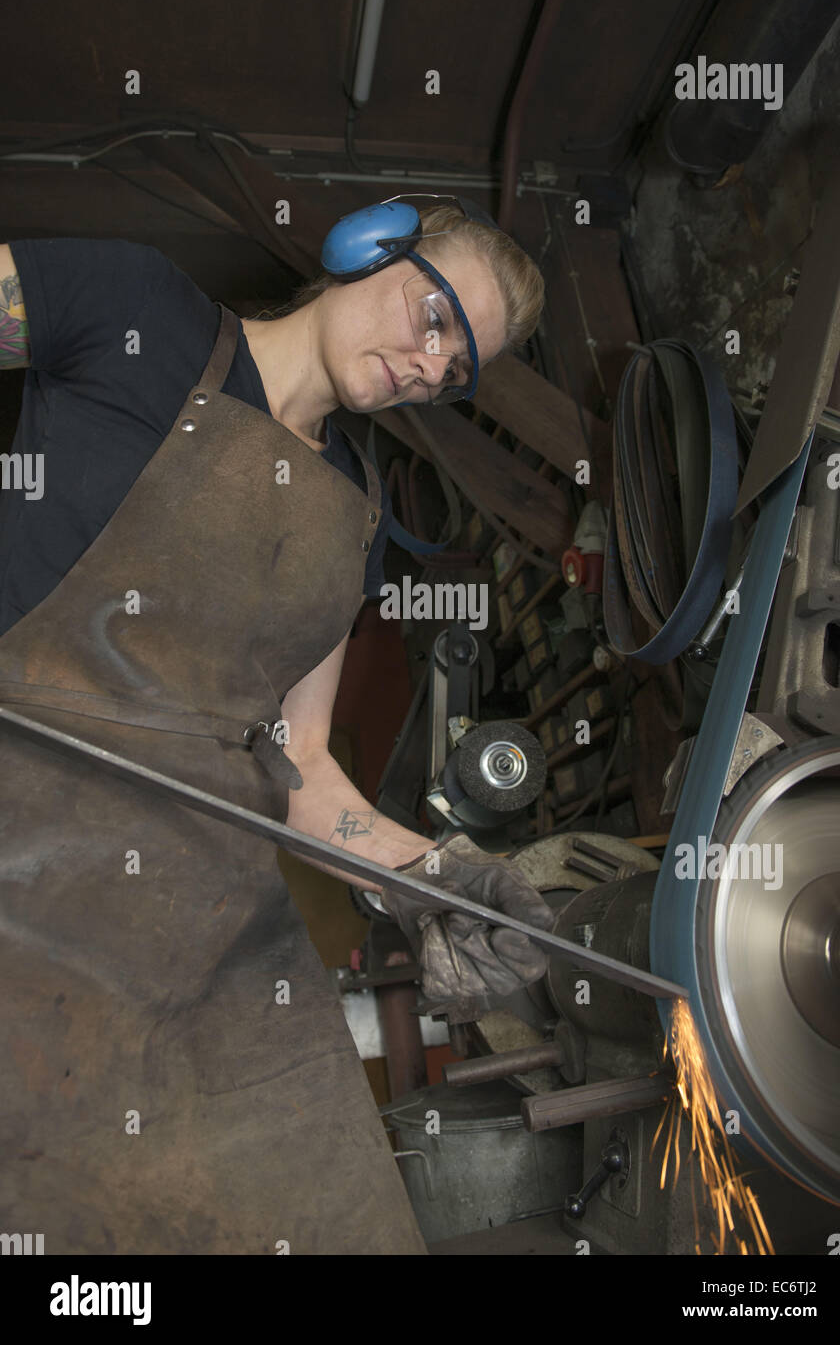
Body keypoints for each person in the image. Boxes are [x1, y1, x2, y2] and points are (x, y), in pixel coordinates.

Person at [0, 196, 554, 1255]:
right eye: (431, 313)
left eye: (454, 368)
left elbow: (303, 765)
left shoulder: (349, 521)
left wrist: (437, 875)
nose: (425, 364)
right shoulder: (132, 306)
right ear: (366, 246)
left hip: (187, 931)